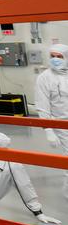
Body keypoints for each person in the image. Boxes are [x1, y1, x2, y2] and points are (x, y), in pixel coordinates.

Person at [34, 41, 68, 199]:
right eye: (52, 56)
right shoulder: (44, 78)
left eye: (59, 56)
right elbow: (42, 105)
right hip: (61, 124)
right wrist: (48, 130)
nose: (55, 59)